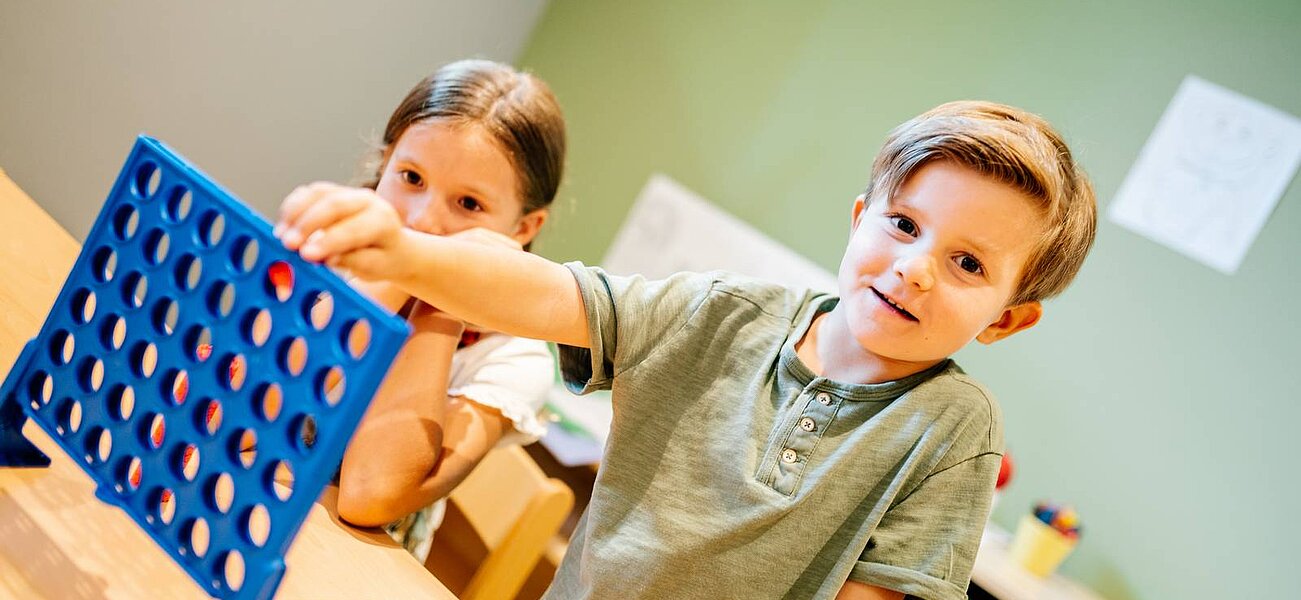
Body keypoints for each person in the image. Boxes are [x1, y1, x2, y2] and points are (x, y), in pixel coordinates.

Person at [274, 100, 1097, 600]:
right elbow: (550, 293)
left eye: (966, 264)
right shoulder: (722, 313)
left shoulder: (951, 430)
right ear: (859, 221)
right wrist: (405, 254)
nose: (915, 269)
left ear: (1005, 318)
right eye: (904, 225)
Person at [298, 58, 568, 563]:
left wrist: (439, 296)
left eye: (468, 204)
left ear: (523, 228)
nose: (424, 221)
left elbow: (369, 495)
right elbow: (245, 396)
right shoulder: (327, 255)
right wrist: (391, 278)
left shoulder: (514, 361)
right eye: (411, 177)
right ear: (385, 164)